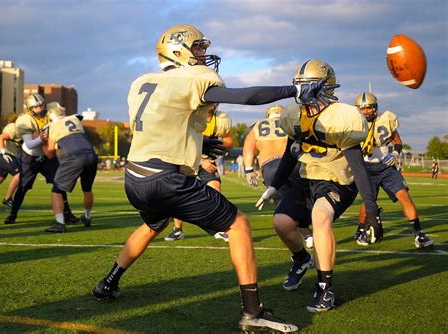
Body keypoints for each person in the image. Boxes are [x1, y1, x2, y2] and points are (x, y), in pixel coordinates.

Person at [91, 24, 336, 333]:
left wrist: (199, 142)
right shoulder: (194, 78)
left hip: (135, 176)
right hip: (165, 179)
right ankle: (253, 312)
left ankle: (108, 283)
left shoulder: (142, 81)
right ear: (178, 50)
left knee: (154, 224)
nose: (203, 54)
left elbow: (152, 125)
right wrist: (293, 90)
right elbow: (242, 97)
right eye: (198, 48)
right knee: (239, 224)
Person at [256, 59, 382, 312]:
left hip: (337, 180)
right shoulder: (293, 114)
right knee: (281, 223)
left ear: (325, 87)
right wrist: (274, 186)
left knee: (320, 216)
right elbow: (292, 152)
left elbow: (357, 166)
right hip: (307, 178)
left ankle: (325, 289)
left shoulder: (342, 116)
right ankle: (302, 259)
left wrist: (371, 208)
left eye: (308, 85)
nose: (302, 91)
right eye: (299, 85)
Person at [353, 92, 434, 248]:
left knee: (405, 196)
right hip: (366, 168)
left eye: (368, 108)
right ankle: (361, 231)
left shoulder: (386, 119)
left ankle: (419, 235)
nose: (365, 112)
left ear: (375, 107)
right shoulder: (354, 124)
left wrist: (395, 154)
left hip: (386, 166)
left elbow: (397, 141)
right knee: (369, 202)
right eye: (362, 109)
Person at [243, 104, 313, 249]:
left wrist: (249, 170)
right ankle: (309, 232)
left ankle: (306, 235)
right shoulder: (290, 121)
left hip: (270, 167)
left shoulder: (258, 125)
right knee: (303, 197)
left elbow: (248, 147)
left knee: (284, 203)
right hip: (293, 163)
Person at [4, 93, 78, 225]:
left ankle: (67, 214)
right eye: (36, 107)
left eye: (41, 105)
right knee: (23, 186)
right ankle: (12, 214)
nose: (40, 108)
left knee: (59, 184)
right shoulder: (25, 120)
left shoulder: (52, 110)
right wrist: (41, 138)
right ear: (30, 108)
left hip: (48, 156)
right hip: (31, 157)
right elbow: (29, 144)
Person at [164, 103, 233, 242]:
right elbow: (181, 143)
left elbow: (228, 140)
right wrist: (200, 161)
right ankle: (177, 230)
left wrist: (217, 147)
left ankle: (218, 226)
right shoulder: (189, 116)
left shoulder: (220, 119)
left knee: (215, 188)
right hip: (186, 160)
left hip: (207, 160)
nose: (211, 104)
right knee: (178, 194)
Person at [43, 102, 99, 233]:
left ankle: (59, 223)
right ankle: (87, 216)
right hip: (91, 155)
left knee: (56, 190)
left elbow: (50, 153)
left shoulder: (53, 126)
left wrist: (43, 144)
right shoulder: (75, 119)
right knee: (87, 189)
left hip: (74, 157)